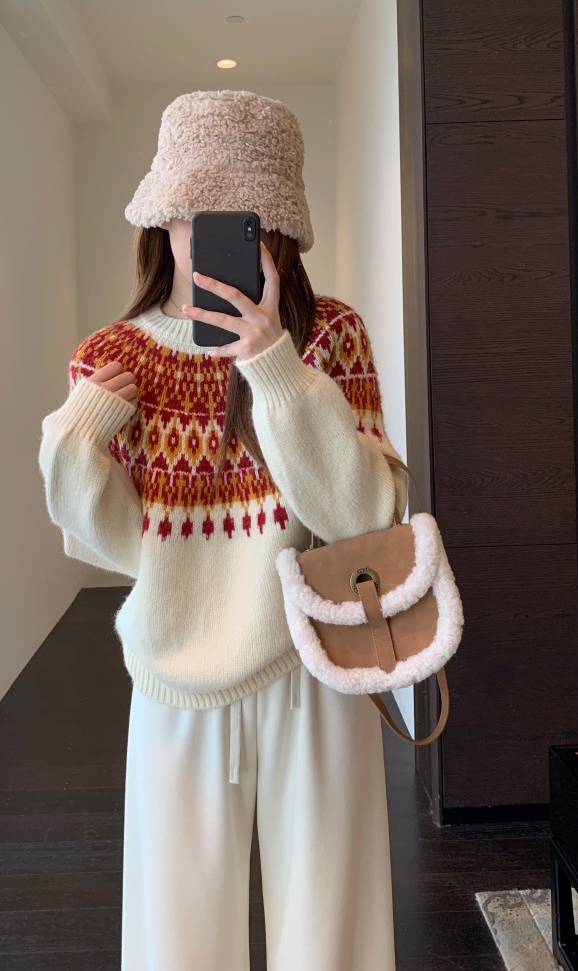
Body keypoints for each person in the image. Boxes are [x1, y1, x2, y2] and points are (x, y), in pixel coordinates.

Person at [38, 89, 408, 971]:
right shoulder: (113, 358)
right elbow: (114, 545)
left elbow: (367, 514)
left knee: (334, 944)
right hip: (175, 680)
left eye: (241, 220)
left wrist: (275, 367)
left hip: (317, 670)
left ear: (278, 231)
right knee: (175, 947)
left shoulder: (332, 337)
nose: (208, 238)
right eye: (192, 213)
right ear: (161, 217)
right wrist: (75, 442)